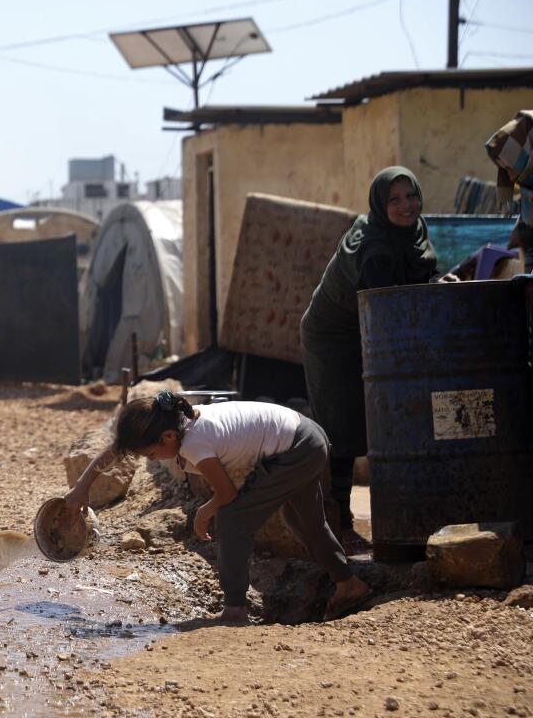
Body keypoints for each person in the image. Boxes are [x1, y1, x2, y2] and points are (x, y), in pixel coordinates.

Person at [66, 392, 370, 623]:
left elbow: (227, 492)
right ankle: (348, 585)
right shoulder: (179, 422)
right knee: (302, 520)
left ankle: (234, 610)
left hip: (297, 449)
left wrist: (204, 511)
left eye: (151, 453)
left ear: (168, 437)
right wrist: (81, 489)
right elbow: (115, 451)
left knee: (232, 519)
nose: (150, 459)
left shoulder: (196, 443)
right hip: (307, 437)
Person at [300, 166, 445, 546]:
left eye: (410, 196)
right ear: (380, 205)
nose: (406, 206)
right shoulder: (375, 248)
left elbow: (415, 278)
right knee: (340, 424)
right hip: (333, 336)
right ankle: (335, 522)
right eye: (394, 200)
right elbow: (387, 307)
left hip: (366, 325)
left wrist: (437, 284)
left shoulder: (412, 232)